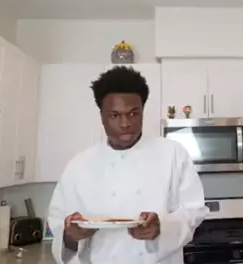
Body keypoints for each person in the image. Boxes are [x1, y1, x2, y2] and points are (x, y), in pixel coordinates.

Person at [47, 66, 208, 263]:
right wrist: (70, 236)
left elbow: (193, 211)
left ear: (142, 112)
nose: (125, 123)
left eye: (133, 114)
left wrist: (162, 227)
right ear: (102, 116)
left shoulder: (173, 154)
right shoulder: (78, 166)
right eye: (114, 115)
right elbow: (59, 226)